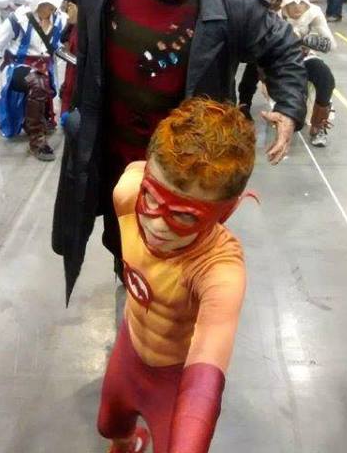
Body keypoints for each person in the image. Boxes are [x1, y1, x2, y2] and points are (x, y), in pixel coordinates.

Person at [41, 0, 307, 301]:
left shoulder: (233, 5)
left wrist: (289, 107)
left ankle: (167, 309)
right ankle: (128, 281)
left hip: (185, 171)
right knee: (122, 234)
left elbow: (283, 47)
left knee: (179, 253)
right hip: (112, 157)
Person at [97, 97, 255, 453]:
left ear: (223, 213)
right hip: (129, 349)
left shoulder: (219, 270)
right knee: (110, 426)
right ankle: (128, 444)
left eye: (184, 216)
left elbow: (206, 374)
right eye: (153, 199)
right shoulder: (128, 192)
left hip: (174, 378)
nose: (157, 225)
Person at [0, 0, 67, 161]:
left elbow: (60, 47)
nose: (49, 9)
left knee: (41, 83)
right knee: (37, 81)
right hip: (18, 69)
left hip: (46, 72)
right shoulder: (18, 19)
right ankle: (37, 142)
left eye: (52, 5)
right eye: (45, 4)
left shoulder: (60, 19)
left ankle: (31, 115)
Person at [236, 0, 295, 117]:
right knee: (254, 64)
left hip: (277, 20)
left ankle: (283, 106)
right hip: (254, 22)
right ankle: (244, 103)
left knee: (279, 64)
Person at [281, 0, 336, 147]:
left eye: (301, 3)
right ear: (285, 4)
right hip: (281, 61)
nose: (297, 8)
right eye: (292, 3)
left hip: (305, 57)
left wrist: (309, 40)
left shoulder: (314, 13)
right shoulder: (277, 16)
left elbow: (331, 45)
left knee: (326, 78)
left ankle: (318, 126)